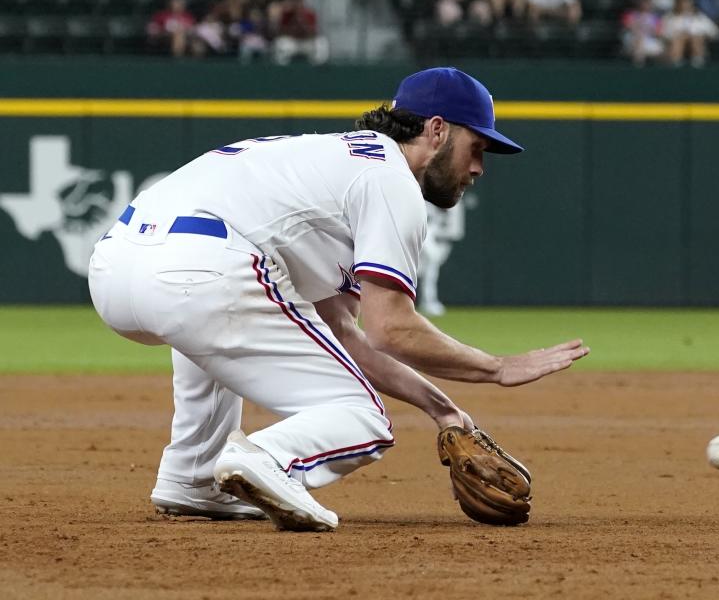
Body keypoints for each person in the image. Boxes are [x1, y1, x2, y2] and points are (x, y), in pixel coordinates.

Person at [87, 67, 589, 531]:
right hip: (201, 266)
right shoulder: (391, 180)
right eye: (476, 146)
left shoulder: (336, 160)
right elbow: (389, 328)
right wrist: (496, 368)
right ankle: (268, 456)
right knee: (363, 416)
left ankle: (191, 477)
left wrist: (445, 411)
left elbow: (346, 333)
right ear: (437, 130)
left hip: (116, 268)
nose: (479, 167)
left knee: (211, 329)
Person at [661, 0, 719, 67]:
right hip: (675, 43)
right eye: (682, 3)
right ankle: (676, 63)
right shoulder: (670, 17)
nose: (684, 5)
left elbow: (715, 33)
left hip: (697, 43)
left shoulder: (699, 17)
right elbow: (663, 33)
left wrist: (701, 36)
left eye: (687, 2)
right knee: (679, 40)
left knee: (696, 39)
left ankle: (697, 63)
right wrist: (679, 35)